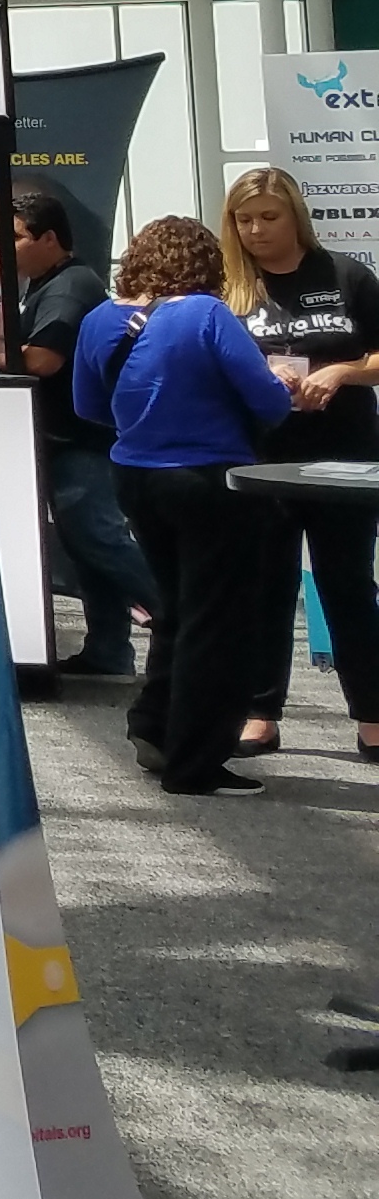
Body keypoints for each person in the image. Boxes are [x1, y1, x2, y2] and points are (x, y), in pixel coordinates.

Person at [74, 213, 290, 795]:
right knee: (216, 622)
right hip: (209, 479)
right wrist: (280, 383)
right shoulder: (206, 314)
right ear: (206, 263)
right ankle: (194, 764)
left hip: (134, 475)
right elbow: (269, 403)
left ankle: (155, 725)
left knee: (175, 608)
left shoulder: (99, 319)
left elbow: (88, 406)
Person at [214, 166, 379, 761]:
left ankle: (372, 716)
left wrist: (343, 372)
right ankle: (261, 713)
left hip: (344, 458)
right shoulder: (228, 287)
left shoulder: (346, 276)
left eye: (269, 217)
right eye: (244, 219)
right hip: (261, 458)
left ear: (295, 217)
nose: (256, 230)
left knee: (347, 585)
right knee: (266, 586)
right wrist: (260, 377)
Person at [0, 188, 160, 680]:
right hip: (69, 439)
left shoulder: (68, 287)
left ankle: (183, 613)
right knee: (88, 548)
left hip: (80, 443)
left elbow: (43, 360)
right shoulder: (49, 282)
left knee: (99, 539)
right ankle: (107, 650)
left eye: (15, 237)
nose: (5, 249)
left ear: (49, 238)